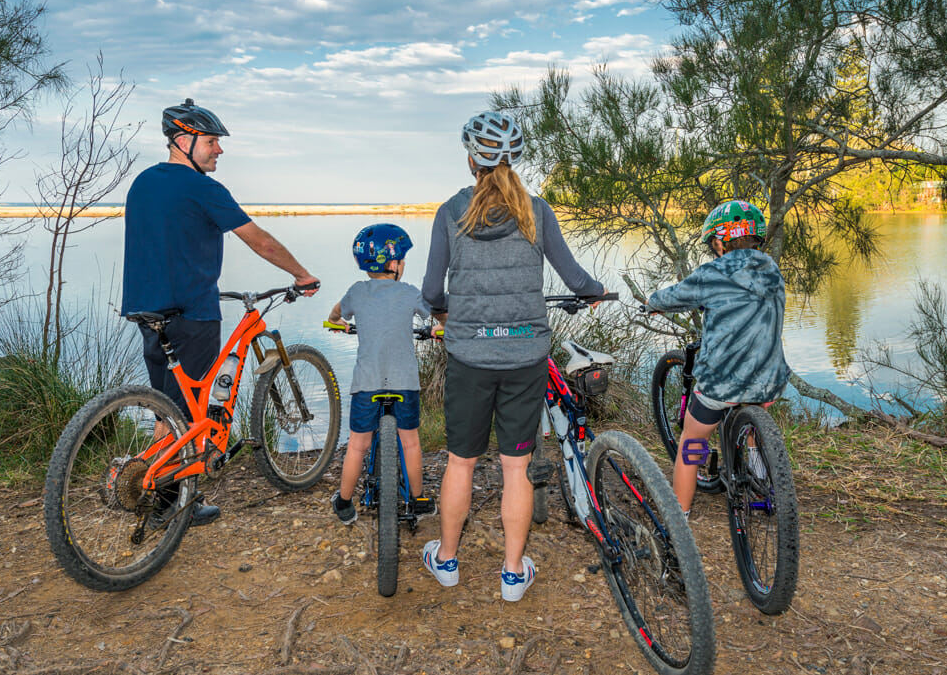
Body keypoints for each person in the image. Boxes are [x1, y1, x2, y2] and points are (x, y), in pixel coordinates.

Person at [420, 111, 605, 602]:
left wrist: (445, 313)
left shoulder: (448, 213)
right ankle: (512, 573)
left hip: (468, 355)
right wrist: (594, 291)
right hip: (525, 353)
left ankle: (447, 561)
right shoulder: (537, 211)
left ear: (471, 161)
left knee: (461, 463)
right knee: (515, 468)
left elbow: (431, 291)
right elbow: (575, 279)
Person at [121, 98, 319, 527]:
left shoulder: (143, 182)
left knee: (168, 407)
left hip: (146, 310)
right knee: (189, 414)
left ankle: (159, 487)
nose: (219, 150)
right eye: (211, 141)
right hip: (190, 312)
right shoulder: (202, 188)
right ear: (182, 140)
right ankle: (167, 507)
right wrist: (302, 274)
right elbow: (258, 240)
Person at [642, 199, 791, 517]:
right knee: (750, 427)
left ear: (721, 242)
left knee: (691, 440)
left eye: (714, 243)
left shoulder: (711, 273)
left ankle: (678, 515)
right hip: (769, 379)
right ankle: (766, 487)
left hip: (722, 383)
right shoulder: (772, 270)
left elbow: (675, 296)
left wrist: (652, 302)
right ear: (757, 238)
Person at [326, 223, 437, 525]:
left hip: (366, 384)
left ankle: (345, 503)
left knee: (357, 446)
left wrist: (337, 322)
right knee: (410, 442)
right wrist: (438, 329)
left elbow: (335, 314)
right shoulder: (410, 293)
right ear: (393, 263)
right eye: (401, 259)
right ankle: (418, 498)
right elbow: (435, 315)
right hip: (405, 383)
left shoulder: (356, 292)